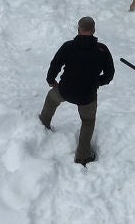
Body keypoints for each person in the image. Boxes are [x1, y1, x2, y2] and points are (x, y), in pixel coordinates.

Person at [39, 16, 114, 166]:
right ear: (93, 30)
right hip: (87, 96)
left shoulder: (68, 46)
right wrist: (97, 82)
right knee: (88, 121)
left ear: (78, 29)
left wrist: (51, 80)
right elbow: (109, 73)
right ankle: (82, 156)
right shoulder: (102, 49)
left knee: (51, 99)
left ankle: (43, 125)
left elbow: (55, 64)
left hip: (66, 90)